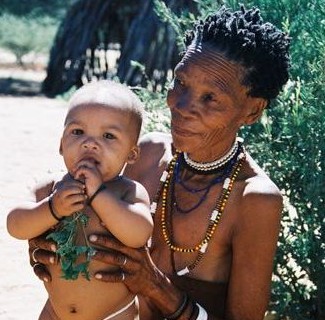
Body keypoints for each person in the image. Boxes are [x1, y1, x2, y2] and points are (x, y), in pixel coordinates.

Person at [27, 5, 290, 320]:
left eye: (210, 98)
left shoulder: (254, 199)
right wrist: (46, 242)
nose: (181, 106)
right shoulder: (149, 154)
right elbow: (80, 220)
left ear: (252, 111)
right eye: (181, 83)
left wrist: (156, 287)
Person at [7, 80, 153, 320]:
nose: (90, 143)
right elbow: (15, 225)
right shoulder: (51, 188)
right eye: (77, 132)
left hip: (114, 314)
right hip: (56, 312)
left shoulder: (128, 192)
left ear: (132, 153)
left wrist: (99, 196)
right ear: (61, 145)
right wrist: (52, 208)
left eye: (108, 136)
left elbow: (139, 233)